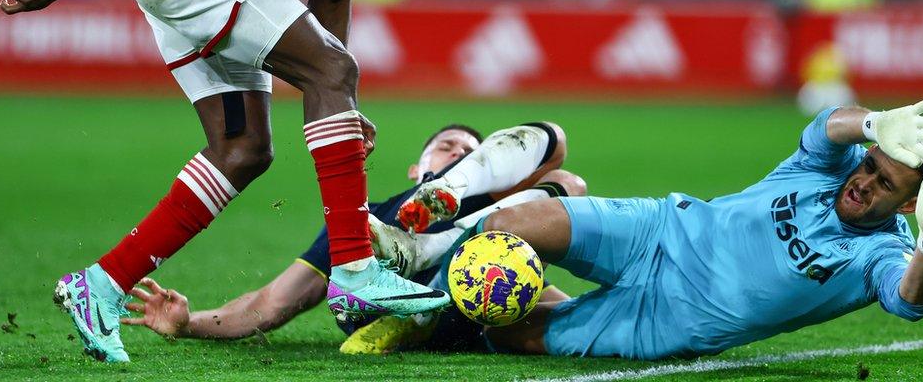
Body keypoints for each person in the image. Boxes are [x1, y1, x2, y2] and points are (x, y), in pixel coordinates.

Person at [0, 0, 451, 362]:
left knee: (243, 151)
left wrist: (339, 99)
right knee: (329, 72)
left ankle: (99, 286)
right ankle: (354, 268)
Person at [411, 100, 923, 360]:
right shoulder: (829, 166)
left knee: (514, 333)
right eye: (870, 164)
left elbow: (909, 304)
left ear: (911, 207)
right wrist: (877, 122)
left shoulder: (885, 252)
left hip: (671, 322)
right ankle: (422, 276)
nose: (864, 182)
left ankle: (443, 315)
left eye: (885, 186)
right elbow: (825, 126)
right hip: (660, 231)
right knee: (511, 225)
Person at [120, 122, 585, 353]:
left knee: (566, 179)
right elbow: (275, 301)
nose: (459, 150)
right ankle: (417, 284)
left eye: (471, 151)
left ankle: (422, 262)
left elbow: (543, 293)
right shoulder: (363, 217)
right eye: (447, 146)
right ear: (415, 169)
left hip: (479, 316)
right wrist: (190, 323)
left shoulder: (505, 213)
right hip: (436, 313)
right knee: (560, 182)